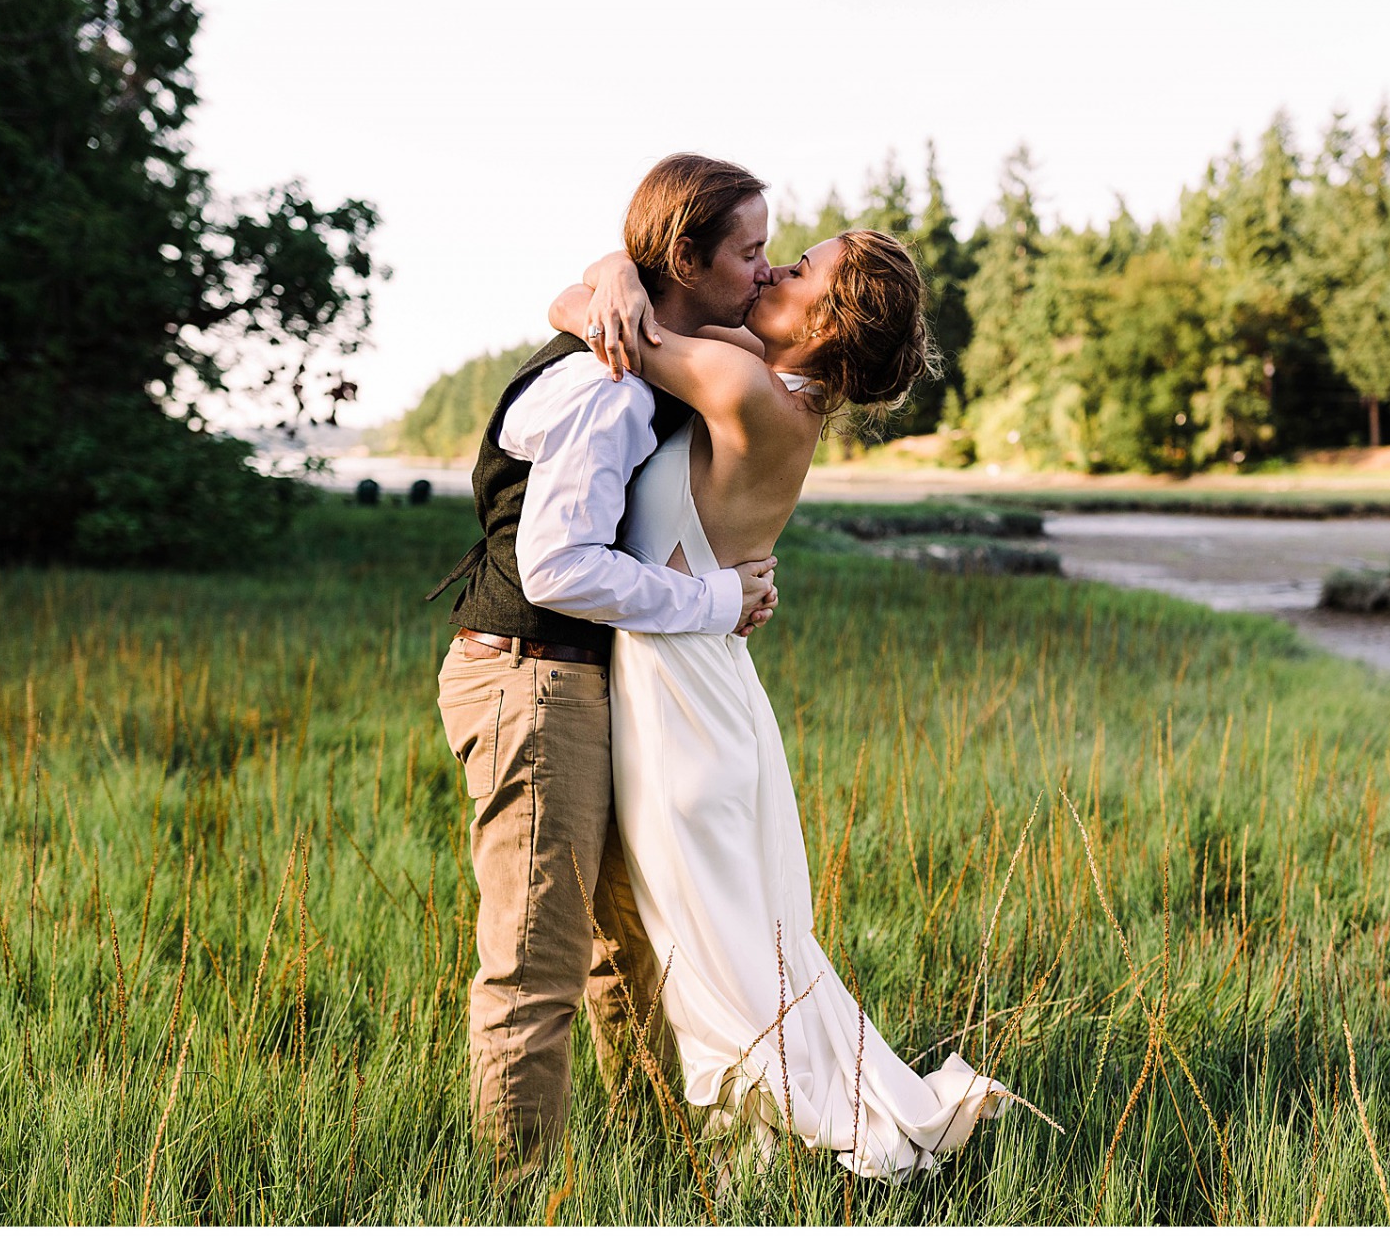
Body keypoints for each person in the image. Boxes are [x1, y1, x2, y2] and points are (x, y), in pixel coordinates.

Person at [544, 230, 1009, 1178]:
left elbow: (582, 319)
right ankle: (767, 1150)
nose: (774, 272)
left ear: (826, 320)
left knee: (711, 953)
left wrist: (613, 278)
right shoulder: (776, 389)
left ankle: (818, 1145)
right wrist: (617, 274)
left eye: (802, 272)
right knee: (739, 939)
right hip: (711, 689)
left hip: (679, 704)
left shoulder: (740, 382)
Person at [428, 154, 786, 1176]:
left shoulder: (646, 344)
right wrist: (715, 602)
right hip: (530, 676)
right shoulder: (608, 385)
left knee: (622, 944)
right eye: (750, 252)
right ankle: (519, 1188)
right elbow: (559, 566)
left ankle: (653, 1162)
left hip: (575, 681)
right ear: (684, 257)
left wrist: (610, 274)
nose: (764, 272)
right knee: (536, 955)